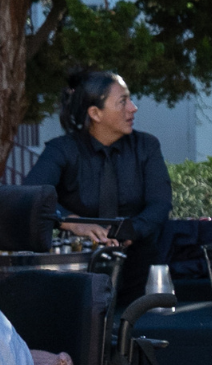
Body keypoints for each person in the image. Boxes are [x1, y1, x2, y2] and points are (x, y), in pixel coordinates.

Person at [24, 69, 173, 307]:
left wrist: (130, 230)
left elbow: (161, 202)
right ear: (95, 113)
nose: (133, 108)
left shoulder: (146, 146)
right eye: (123, 101)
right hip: (76, 277)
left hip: (139, 273)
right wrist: (73, 222)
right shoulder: (63, 149)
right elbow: (31, 195)